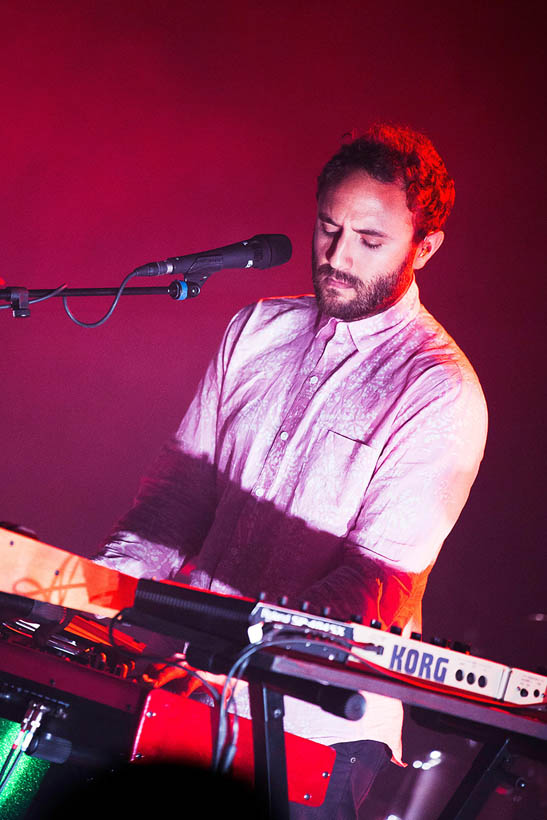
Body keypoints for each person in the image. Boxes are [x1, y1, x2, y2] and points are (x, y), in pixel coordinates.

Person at [94, 123, 488, 818]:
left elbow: (375, 583)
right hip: (188, 684)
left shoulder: (439, 392)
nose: (335, 257)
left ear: (423, 249)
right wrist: (94, 602)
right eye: (327, 228)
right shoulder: (256, 329)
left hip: (314, 728)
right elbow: (176, 498)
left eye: (369, 242)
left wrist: (230, 664)